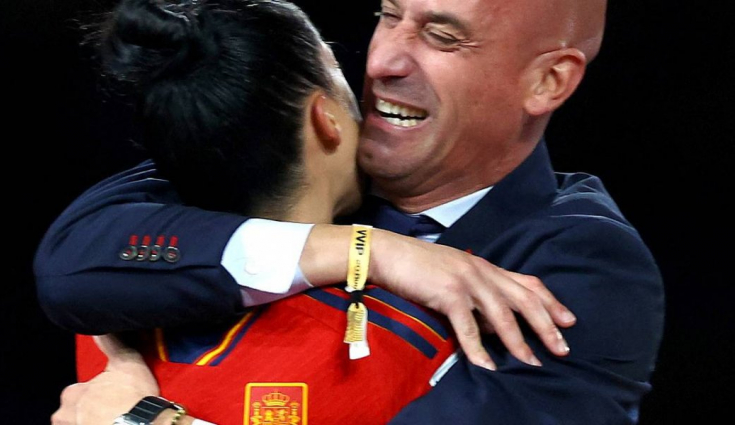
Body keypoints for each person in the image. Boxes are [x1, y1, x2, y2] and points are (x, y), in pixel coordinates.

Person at [37, 0, 665, 423]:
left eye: (442, 37)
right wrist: (371, 251)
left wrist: (142, 420)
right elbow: (70, 262)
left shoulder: (585, 267)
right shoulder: (297, 158)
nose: (383, 62)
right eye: (388, 16)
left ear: (547, 82)